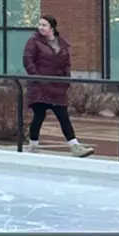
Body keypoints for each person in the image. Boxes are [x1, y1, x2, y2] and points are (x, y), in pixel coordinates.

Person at [24, 15, 92, 157]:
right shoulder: (34, 42)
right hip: (40, 86)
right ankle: (33, 145)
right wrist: (37, 77)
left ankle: (75, 146)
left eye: (44, 25)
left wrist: (66, 79)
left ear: (52, 28)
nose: (41, 28)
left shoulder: (62, 44)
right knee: (39, 116)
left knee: (63, 116)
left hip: (57, 86)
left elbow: (66, 64)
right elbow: (28, 60)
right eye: (40, 25)